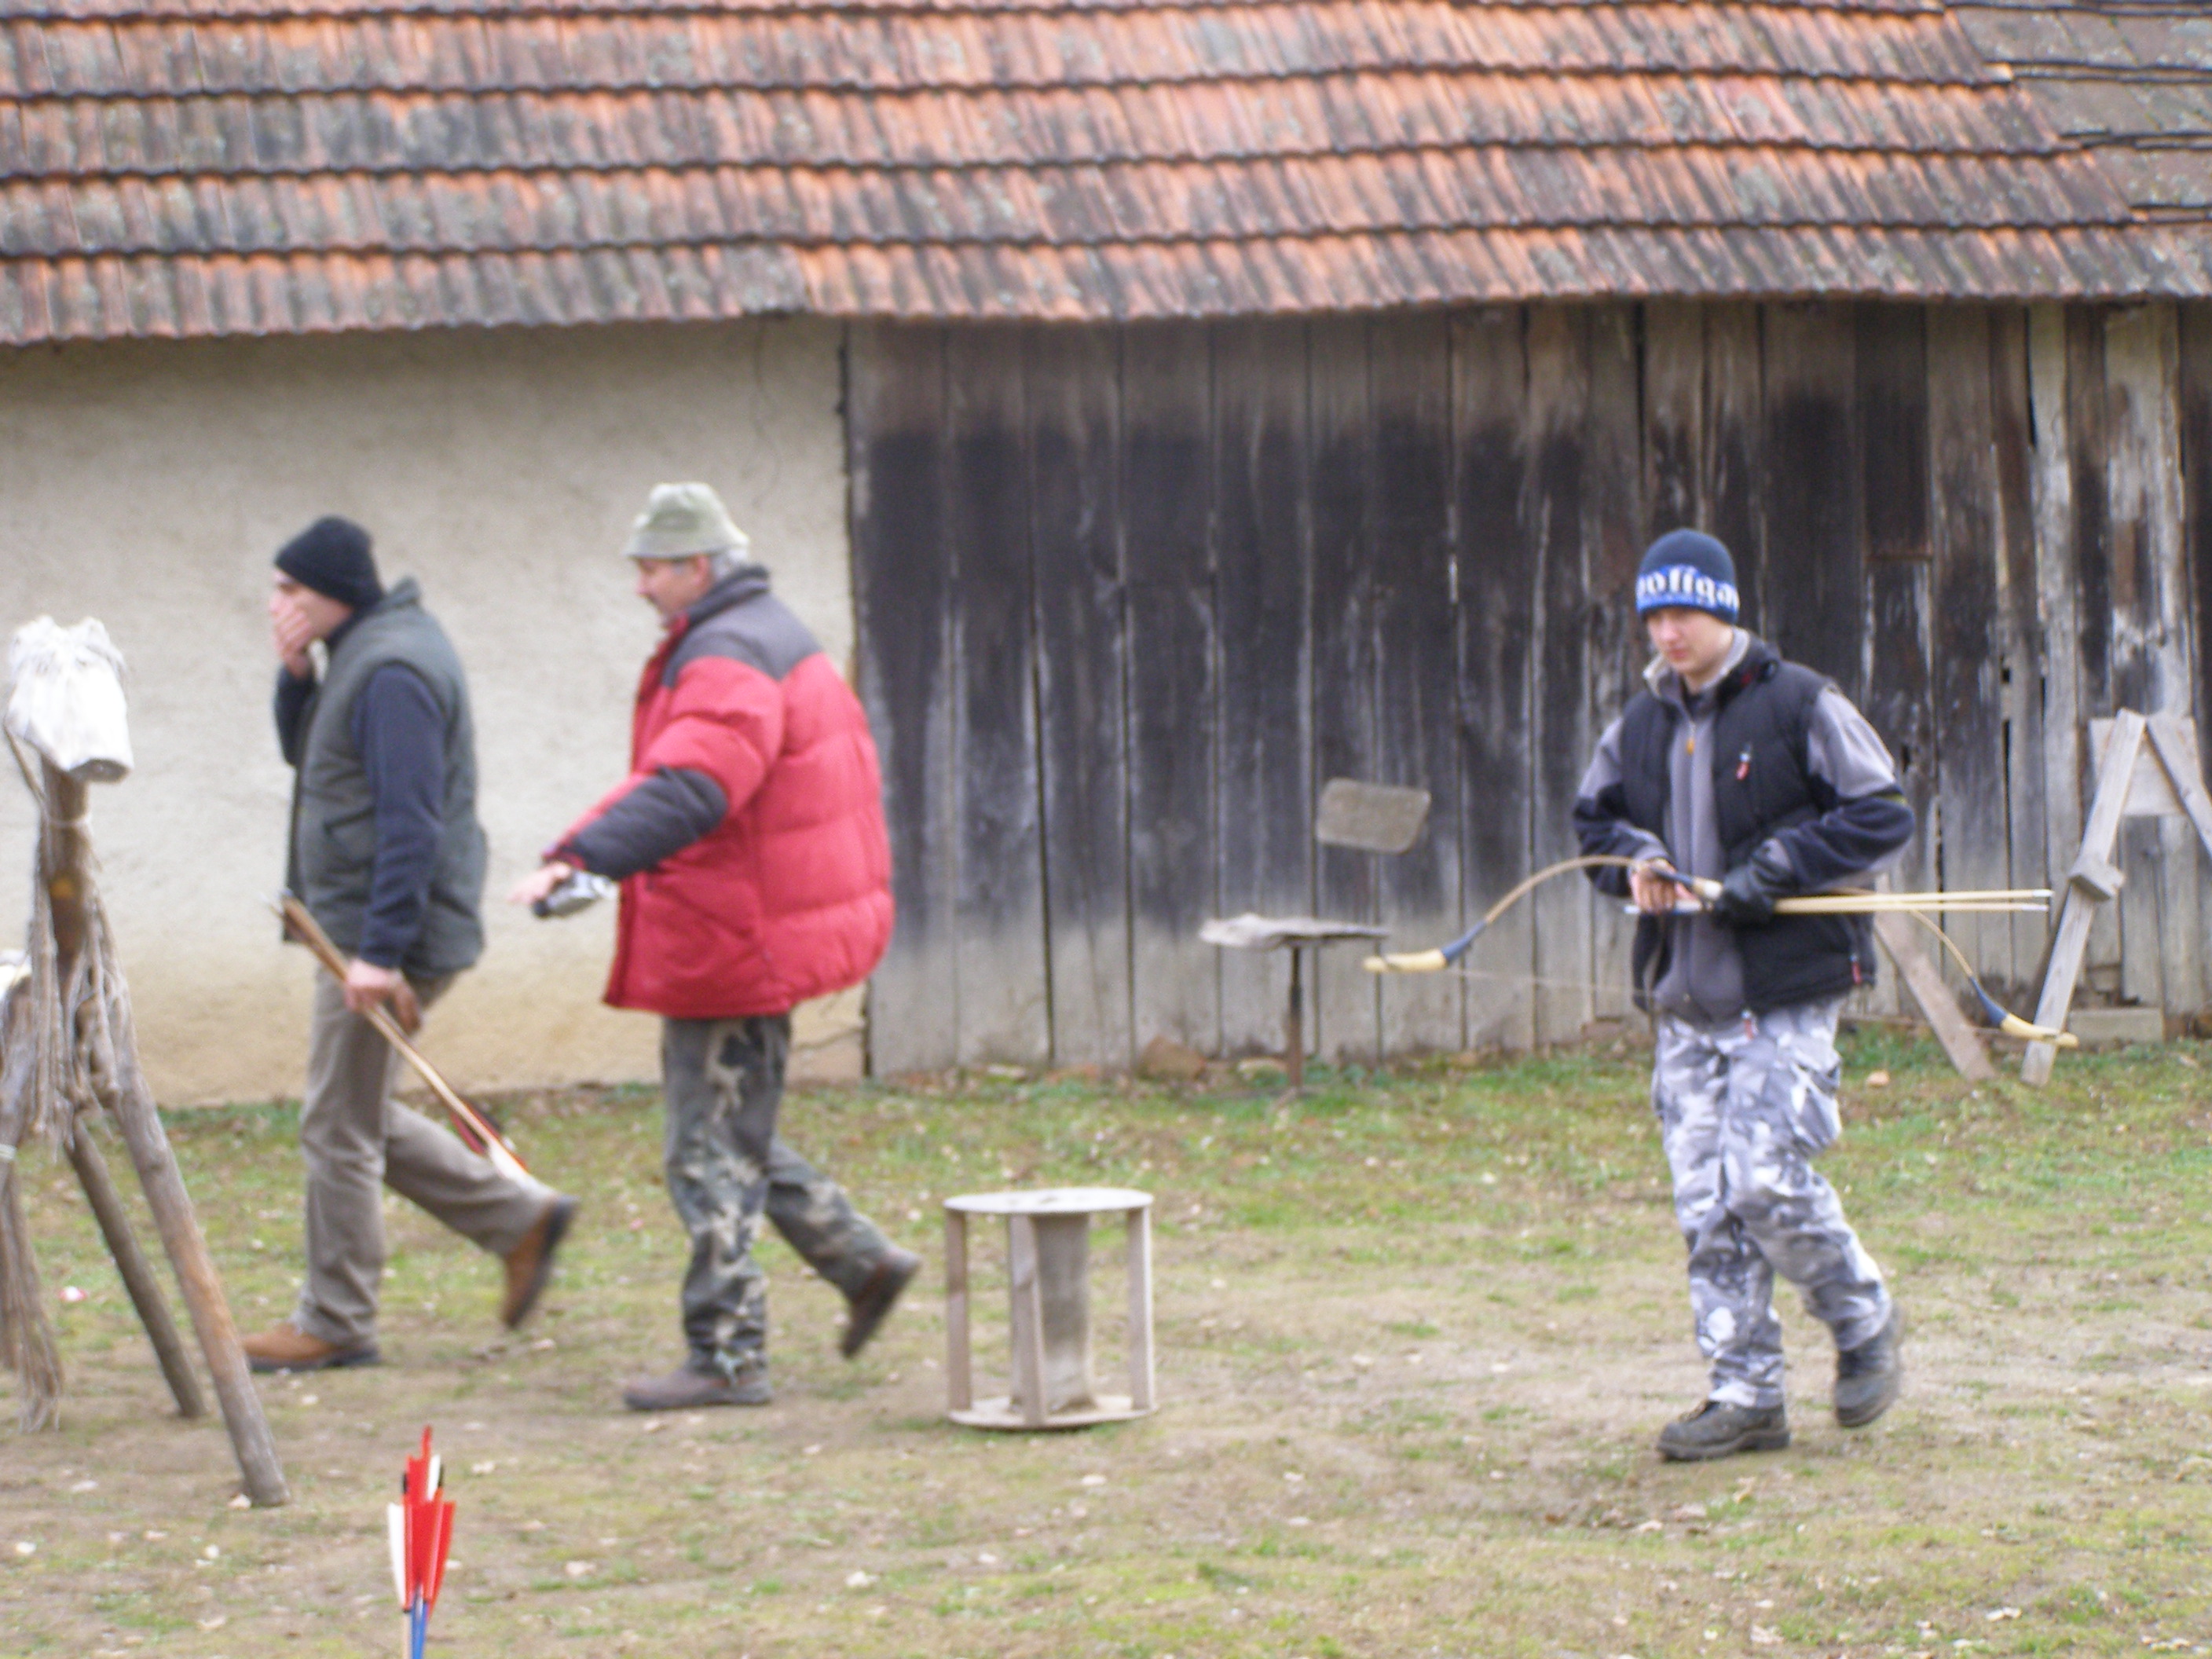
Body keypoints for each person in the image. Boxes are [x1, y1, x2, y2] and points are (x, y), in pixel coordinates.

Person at [511, 483, 917, 1412]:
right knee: (733, 1133)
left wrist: (583, 856)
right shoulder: (761, 633)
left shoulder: (728, 654)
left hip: (737, 937)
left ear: (698, 567)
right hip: (750, 926)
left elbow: (693, 784)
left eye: (652, 569)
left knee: (706, 1152)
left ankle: (728, 1356)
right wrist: (589, 860)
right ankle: (860, 1261)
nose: (640, 586)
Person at [1573, 529, 1912, 1461]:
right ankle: (1745, 1393)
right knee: (1705, 1205)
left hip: (1782, 994)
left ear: (1722, 610)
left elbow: (1880, 813)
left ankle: (1862, 1320)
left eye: (1683, 612)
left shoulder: (1798, 701)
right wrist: (1635, 862)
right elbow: (1593, 822)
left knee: (1762, 1179)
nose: (1667, 632)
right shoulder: (1639, 725)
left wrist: (1782, 864)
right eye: (1653, 616)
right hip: (1684, 1001)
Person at [244, 516, 576, 1372]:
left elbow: (411, 820)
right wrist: (295, 675)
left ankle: (335, 1320)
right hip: (362, 928)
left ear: (332, 591)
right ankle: (522, 1219)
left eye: (290, 589)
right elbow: (311, 759)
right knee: (351, 1112)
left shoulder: (393, 670)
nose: (276, 603)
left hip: (384, 935)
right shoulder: (360, 654)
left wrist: (380, 953)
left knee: (337, 1125)